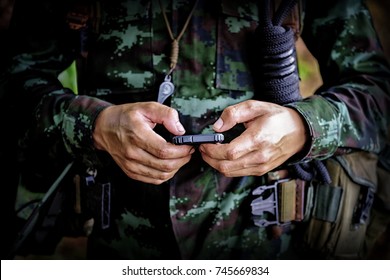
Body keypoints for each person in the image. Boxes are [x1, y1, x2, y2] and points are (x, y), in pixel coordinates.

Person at [2, 0, 389, 260]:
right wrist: (94, 125)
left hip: (264, 248)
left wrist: (304, 127)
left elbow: (377, 94)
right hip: (120, 248)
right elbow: (12, 83)